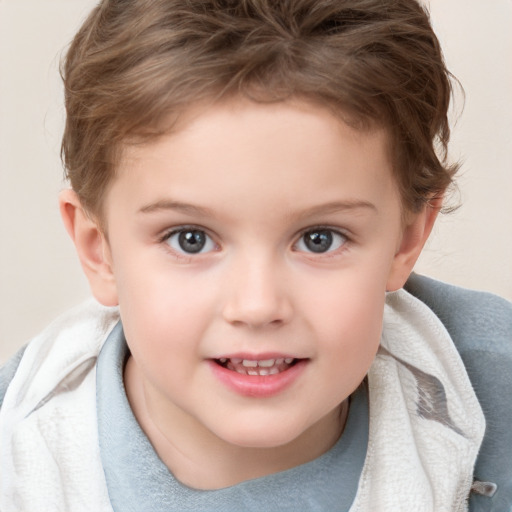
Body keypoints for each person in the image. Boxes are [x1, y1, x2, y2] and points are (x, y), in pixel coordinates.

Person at [0, 0, 510, 510]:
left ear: (406, 238)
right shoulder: (22, 450)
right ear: (99, 249)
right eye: (190, 239)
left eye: (319, 239)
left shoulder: (492, 386)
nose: (257, 305)